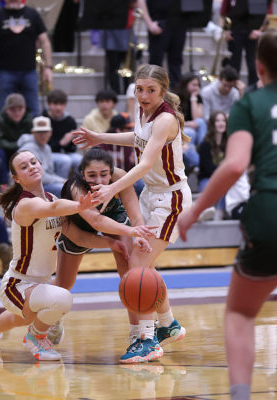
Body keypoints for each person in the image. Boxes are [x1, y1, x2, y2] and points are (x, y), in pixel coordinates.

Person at [177, 29, 277, 400]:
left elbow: (235, 165)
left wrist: (194, 210)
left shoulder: (250, 104)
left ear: (259, 67)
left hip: (275, 210)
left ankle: (241, 395)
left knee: (240, 313)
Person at [73, 64, 190, 363]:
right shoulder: (143, 112)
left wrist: (111, 189)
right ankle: (168, 324)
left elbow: (145, 163)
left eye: (151, 90)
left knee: (137, 267)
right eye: (139, 89)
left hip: (171, 199)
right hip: (151, 194)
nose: (144, 95)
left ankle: (147, 340)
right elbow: (137, 138)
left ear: (163, 91)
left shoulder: (165, 119)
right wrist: (100, 137)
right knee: (142, 264)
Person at [0, 150, 127, 360]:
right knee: (62, 298)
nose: (31, 167)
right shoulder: (26, 204)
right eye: (24, 167)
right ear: (17, 179)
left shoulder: (51, 198)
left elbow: (78, 237)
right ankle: (35, 337)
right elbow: (53, 207)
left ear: (41, 165)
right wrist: (80, 205)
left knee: (25, 317)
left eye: (33, 162)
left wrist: (111, 243)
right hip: (18, 284)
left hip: (39, 284)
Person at [52, 147, 154, 344]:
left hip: (113, 217)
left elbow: (135, 214)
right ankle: (50, 318)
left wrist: (140, 233)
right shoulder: (76, 188)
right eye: (91, 175)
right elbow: (96, 222)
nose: (98, 181)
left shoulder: (120, 177)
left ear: (111, 171)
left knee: (130, 273)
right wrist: (113, 240)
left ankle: (137, 332)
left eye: (104, 174)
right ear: (82, 173)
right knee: (64, 285)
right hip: (78, 229)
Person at [0, 0, 53, 116]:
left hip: (29, 71)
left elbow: (45, 41)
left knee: (33, 111)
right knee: (3, 111)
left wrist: (48, 67)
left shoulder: (32, 14)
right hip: (5, 71)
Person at [137, 0, 186, 90]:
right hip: (158, 21)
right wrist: (149, 23)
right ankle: (153, 89)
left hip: (179, 22)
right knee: (156, 60)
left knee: (176, 60)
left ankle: (176, 91)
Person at [220, 0, 272, 86]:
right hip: (234, 31)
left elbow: (266, 15)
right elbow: (223, 13)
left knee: (252, 64)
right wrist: (225, 31)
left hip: (252, 31)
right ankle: (233, 87)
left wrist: (259, 30)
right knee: (234, 63)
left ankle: (254, 88)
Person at [0, 93, 33, 188]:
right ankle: (4, 185)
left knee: (30, 150)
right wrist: (16, 145)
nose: (17, 113)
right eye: (13, 109)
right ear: (6, 109)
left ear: (25, 108)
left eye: (20, 109)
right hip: (4, 152)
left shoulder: (29, 119)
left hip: (21, 151)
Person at [17, 116, 66, 198]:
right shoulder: (28, 148)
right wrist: (62, 181)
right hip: (26, 188)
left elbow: (49, 172)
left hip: (39, 183)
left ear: (50, 132)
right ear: (33, 132)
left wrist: (63, 181)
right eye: (39, 132)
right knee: (64, 188)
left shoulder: (47, 147)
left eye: (45, 132)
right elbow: (38, 176)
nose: (43, 135)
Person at [100, 113, 144, 196]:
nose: (130, 131)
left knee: (141, 185)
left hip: (126, 177)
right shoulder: (103, 143)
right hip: (107, 178)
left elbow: (133, 168)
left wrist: (133, 162)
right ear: (118, 130)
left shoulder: (131, 142)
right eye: (127, 128)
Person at [41, 89, 82, 177]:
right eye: (55, 104)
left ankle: (78, 183)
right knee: (65, 161)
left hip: (65, 153)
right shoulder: (43, 119)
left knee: (79, 159)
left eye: (61, 104)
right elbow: (43, 146)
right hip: (46, 154)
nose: (58, 107)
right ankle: (61, 184)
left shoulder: (70, 120)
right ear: (48, 104)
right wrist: (61, 143)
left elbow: (73, 149)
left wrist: (73, 139)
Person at [174, 72, 208, 172]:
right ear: (186, 84)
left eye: (198, 85)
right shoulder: (176, 98)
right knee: (190, 133)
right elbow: (172, 120)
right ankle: (200, 162)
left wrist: (193, 99)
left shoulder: (198, 98)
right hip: (180, 128)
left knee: (200, 122)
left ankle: (203, 150)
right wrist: (188, 124)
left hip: (196, 130)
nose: (196, 88)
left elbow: (197, 118)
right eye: (194, 85)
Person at [197, 111, 228, 220]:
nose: (221, 123)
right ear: (212, 124)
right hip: (207, 178)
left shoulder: (229, 142)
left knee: (225, 184)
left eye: (223, 120)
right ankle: (207, 211)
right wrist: (222, 169)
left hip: (223, 178)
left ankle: (219, 213)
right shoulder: (205, 144)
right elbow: (207, 168)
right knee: (212, 186)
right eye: (217, 120)